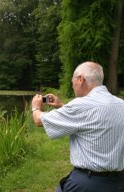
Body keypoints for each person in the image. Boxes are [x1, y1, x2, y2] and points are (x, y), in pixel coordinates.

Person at [31, 61, 124, 192]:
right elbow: (89, 119)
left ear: (80, 79)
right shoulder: (120, 104)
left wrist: (35, 106)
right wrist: (62, 106)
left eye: (72, 81)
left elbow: (39, 121)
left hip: (87, 184)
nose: (73, 85)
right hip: (119, 183)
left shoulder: (80, 105)